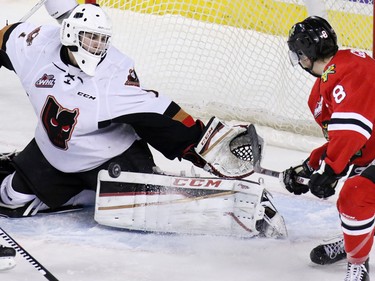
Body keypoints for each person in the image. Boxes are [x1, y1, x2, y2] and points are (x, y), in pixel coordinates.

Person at [0, 2, 254, 218]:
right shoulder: (37, 47)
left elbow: (159, 113)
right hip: (52, 155)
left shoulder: (112, 74)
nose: (97, 47)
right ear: (69, 35)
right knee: (9, 199)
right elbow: (5, 38)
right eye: (90, 38)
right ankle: (83, 193)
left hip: (111, 158)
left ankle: (98, 189)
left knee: (144, 205)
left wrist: (202, 145)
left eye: (102, 40)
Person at [282, 16, 375, 281]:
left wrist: (331, 170)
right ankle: (354, 239)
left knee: (356, 195)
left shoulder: (351, 69)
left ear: (305, 53)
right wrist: (309, 166)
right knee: (361, 196)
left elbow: (351, 132)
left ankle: (358, 264)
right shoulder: (335, 75)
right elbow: (346, 140)